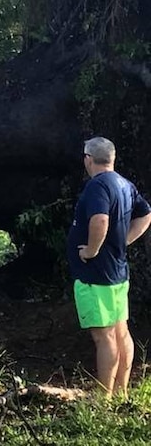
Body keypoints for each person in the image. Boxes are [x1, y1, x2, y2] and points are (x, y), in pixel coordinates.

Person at [67, 136, 151, 397]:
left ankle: (104, 399)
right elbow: (146, 213)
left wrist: (92, 250)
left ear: (88, 159)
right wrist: (124, 240)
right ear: (112, 158)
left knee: (103, 337)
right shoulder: (125, 184)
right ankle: (121, 392)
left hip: (96, 275)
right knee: (120, 330)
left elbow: (100, 219)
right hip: (117, 271)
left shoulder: (97, 186)